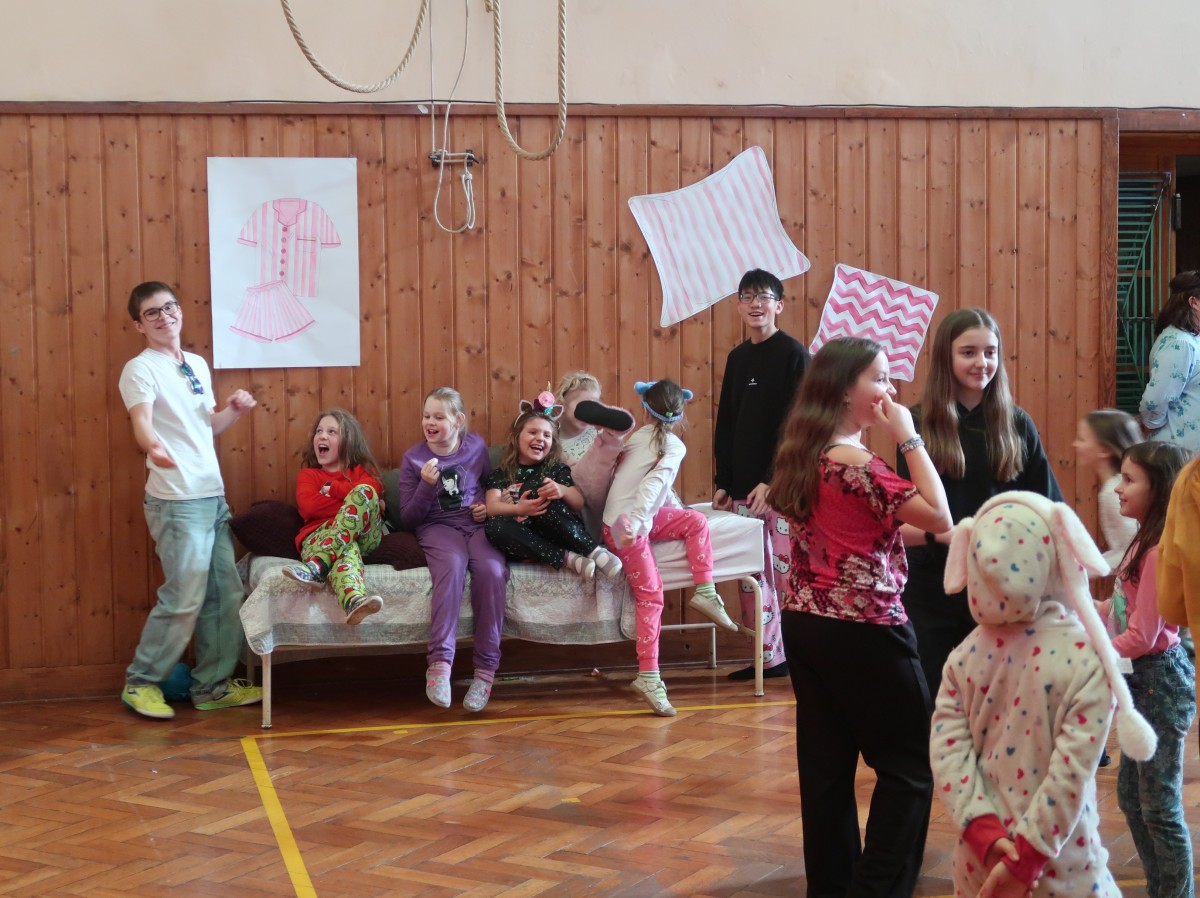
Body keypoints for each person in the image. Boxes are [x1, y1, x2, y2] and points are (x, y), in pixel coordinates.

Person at [768, 336, 952, 898]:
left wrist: (942, 537)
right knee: (911, 769)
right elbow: (939, 514)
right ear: (845, 390)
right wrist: (908, 436)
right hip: (866, 628)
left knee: (826, 770)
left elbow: (860, 531)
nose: (890, 390)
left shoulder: (806, 452)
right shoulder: (858, 461)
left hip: (807, 624)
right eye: (880, 377)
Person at [931, 491, 1157, 898]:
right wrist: (1026, 860)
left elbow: (947, 753)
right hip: (1060, 866)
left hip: (980, 863)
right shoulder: (1085, 658)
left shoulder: (961, 658)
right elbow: (1070, 773)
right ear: (1059, 556)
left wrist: (983, 833)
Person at [897, 307, 1062, 696]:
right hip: (933, 580)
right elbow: (907, 511)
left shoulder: (1016, 422)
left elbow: (1048, 506)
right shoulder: (917, 423)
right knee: (936, 689)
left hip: (1001, 580)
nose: (981, 362)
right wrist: (949, 537)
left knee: (1000, 694)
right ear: (946, 357)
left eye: (990, 352)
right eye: (968, 352)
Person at [117, 281, 262, 720]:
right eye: (153, 313)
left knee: (225, 594)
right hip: (177, 501)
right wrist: (152, 447)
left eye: (169, 307)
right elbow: (142, 422)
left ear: (180, 310)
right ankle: (141, 683)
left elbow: (206, 427)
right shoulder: (139, 369)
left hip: (212, 497)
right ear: (139, 325)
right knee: (183, 599)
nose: (164, 317)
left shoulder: (195, 363)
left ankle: (211, 688)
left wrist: (234, 411)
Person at [602, 379, 737, 716]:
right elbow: (652, 486)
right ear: (680, 414)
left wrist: (667, 512)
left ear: (645, 409)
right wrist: (635, 524)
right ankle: (648, 675)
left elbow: (654, 489)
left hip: (626, 520)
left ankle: (705, 592)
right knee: (651, 595)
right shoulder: (672, 445)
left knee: (695, 521)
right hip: (624, 527)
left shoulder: (640, 437)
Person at [1105, 442, 1196, 898]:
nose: (1117, 488)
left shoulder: (1158, 550)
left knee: (1159, 806)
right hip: (1141, 680)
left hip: (1160, 679)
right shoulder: (1143, 539)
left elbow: (1143, 636)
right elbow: (1125, 612)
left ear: (1159, 488)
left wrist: (1095, 652)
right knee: (1132, 800)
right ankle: (1161, 888)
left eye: (1128, 479)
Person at [713, 268, 810, 681]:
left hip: (781, 488)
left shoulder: (793, 354)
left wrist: (773, 480)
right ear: (739, 306)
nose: (756, 304)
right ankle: (768, 659)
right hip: (741, 489)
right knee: (751, 576)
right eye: (748, 297)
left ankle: (804, 658)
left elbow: (798, 426)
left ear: (779, 305)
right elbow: (727, 421)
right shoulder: (737, 359)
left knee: (787, 575)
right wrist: (724, 481)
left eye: (764, 297)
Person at [398, 387, 509, 713]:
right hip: (437, 527)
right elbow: (408, 518)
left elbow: (489, 485)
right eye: (426, 416)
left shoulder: (475, 447)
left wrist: (484, 506)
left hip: (475, 526)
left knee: (492, 571)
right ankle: (440, 666)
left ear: (458, 420)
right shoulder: (413, 459)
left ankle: (485, 672)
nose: (429, 423)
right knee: (452, 567)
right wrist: (426, 486)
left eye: (438, 417)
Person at [484, 389, 622, 579]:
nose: (540, 438)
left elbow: (578, 503)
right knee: (494, 526)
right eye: (533, 432)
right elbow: (492, 507)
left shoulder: (555, 469)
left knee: (541, 490)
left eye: (547, 435)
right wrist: (518, 509)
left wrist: (562, 490)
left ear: (552, 444)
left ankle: (593, 551)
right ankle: (567, 559)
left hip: (557, 531)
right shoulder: (502, 473)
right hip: (527, 539)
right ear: (516, 438)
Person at [282, 408, 386, 625]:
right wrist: (356, 504)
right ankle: (354, 601)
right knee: (345, 546)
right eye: (319, 431)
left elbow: (373, 491)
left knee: (365, 491)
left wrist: (335, 490)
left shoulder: (361, 472)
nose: (322, 436)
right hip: (319, 536)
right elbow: (310, 508)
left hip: (365, 536)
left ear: (348, 440)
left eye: (331, 432)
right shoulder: (308, 476)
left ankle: (318, 565)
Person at [554, 370, 636, 538]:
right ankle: (614, 438)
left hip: (612, 493)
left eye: (594, 406)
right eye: (583, 406)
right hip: (582, 503)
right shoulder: (553, 438)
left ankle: (615, 435)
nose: (588, 414)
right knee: (584, 469)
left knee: (636, 457)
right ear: (563, 404)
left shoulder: (597, 432)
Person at [1140, 270, 1200, 452]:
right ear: (1193, 302)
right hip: (1178, 451)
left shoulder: (1190, 338)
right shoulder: (1180, 342)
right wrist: (1151, 423)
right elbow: (1154, 401)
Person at [1073, 408, 1141, 568]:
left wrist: (1085, 568)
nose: (1075, 444)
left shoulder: (1114, 492)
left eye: (1082, 439)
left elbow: (1132, 551)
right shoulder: (1114, 487)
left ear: (1104, 450)